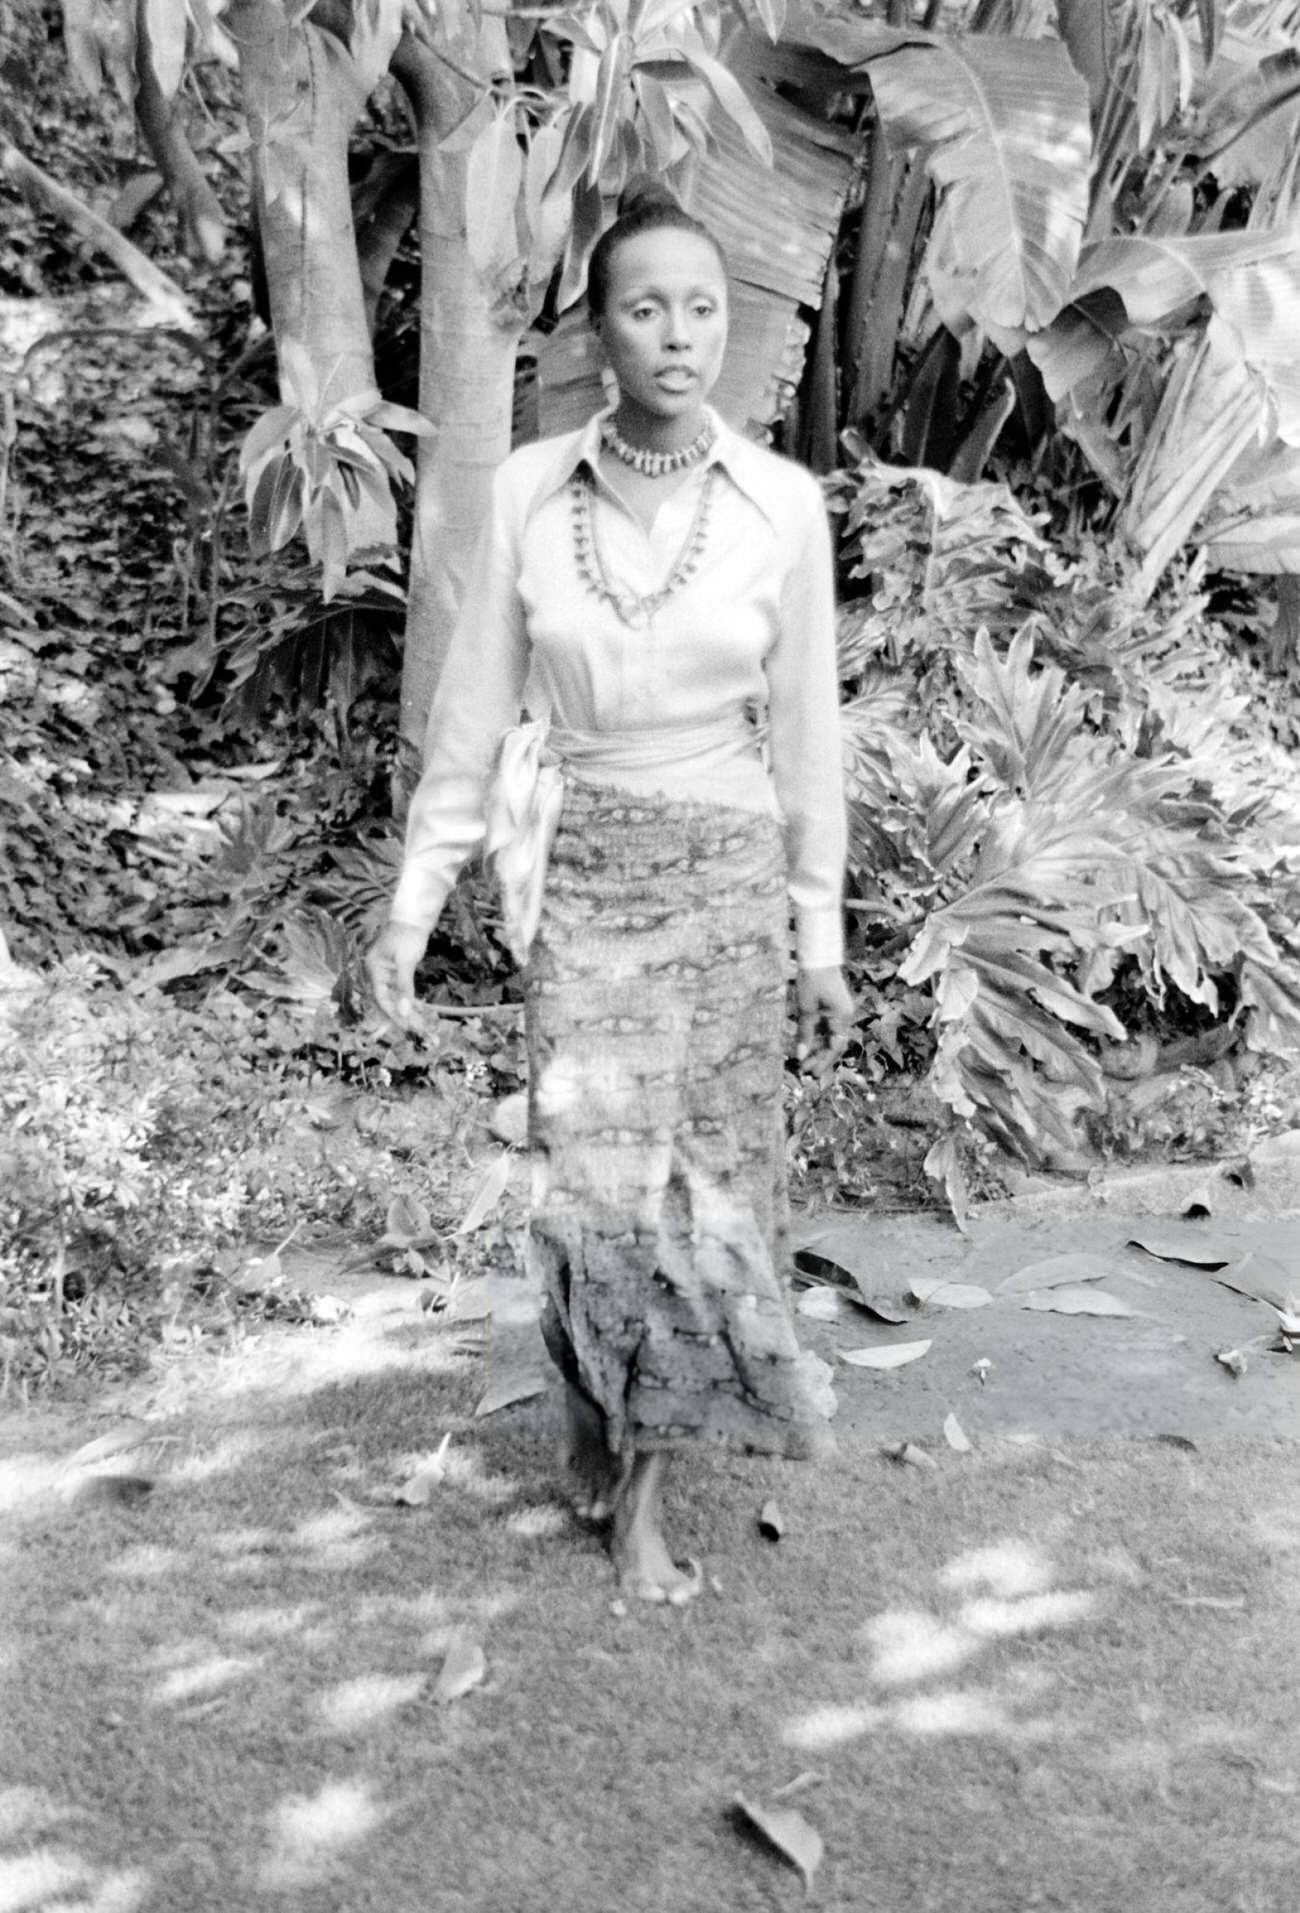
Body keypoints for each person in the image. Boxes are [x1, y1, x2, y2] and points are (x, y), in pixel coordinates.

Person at [367, 177, 853, 1607]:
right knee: (589, 1195)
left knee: (697, 1201)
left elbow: (809, 732)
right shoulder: (527, 488)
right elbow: (472, 710)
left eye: (704, 306)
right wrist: (412, 903)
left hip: (721, 871)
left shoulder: (782, 506)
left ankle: (642, 1496)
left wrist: (816, 935)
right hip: (579, 872)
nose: (680, 333)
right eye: (648, 307)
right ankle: (590, 1395)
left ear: (731, 330)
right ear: (602, 334)